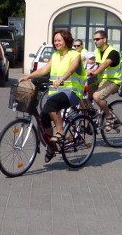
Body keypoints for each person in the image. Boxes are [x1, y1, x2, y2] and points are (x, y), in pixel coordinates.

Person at [20, 29, 85, 162]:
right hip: (56, 92)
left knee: (50, 105)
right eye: (55, 40)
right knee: (44, 115)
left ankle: (60, 132)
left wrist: (61, 79)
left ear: (66, 40)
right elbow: (44, 70)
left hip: (72, 92)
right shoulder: (55, 55)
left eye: (59, 40)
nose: (56, 43)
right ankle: (51, 145)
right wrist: (28, 76)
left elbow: (71, 69)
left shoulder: (75, 54)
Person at [87, 30, 122, 131]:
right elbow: (97, 66)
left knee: (96, 96)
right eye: (94, 39)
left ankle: (109, 116)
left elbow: (105, 64)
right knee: (81, 92)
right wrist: (88, 72)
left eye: (97, 39)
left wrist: (95, 73)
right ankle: (93, 114)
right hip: (101, 80)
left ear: (105, 39)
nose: (95, 41)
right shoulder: (97, 52)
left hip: (113, 81)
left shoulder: (113, 52)